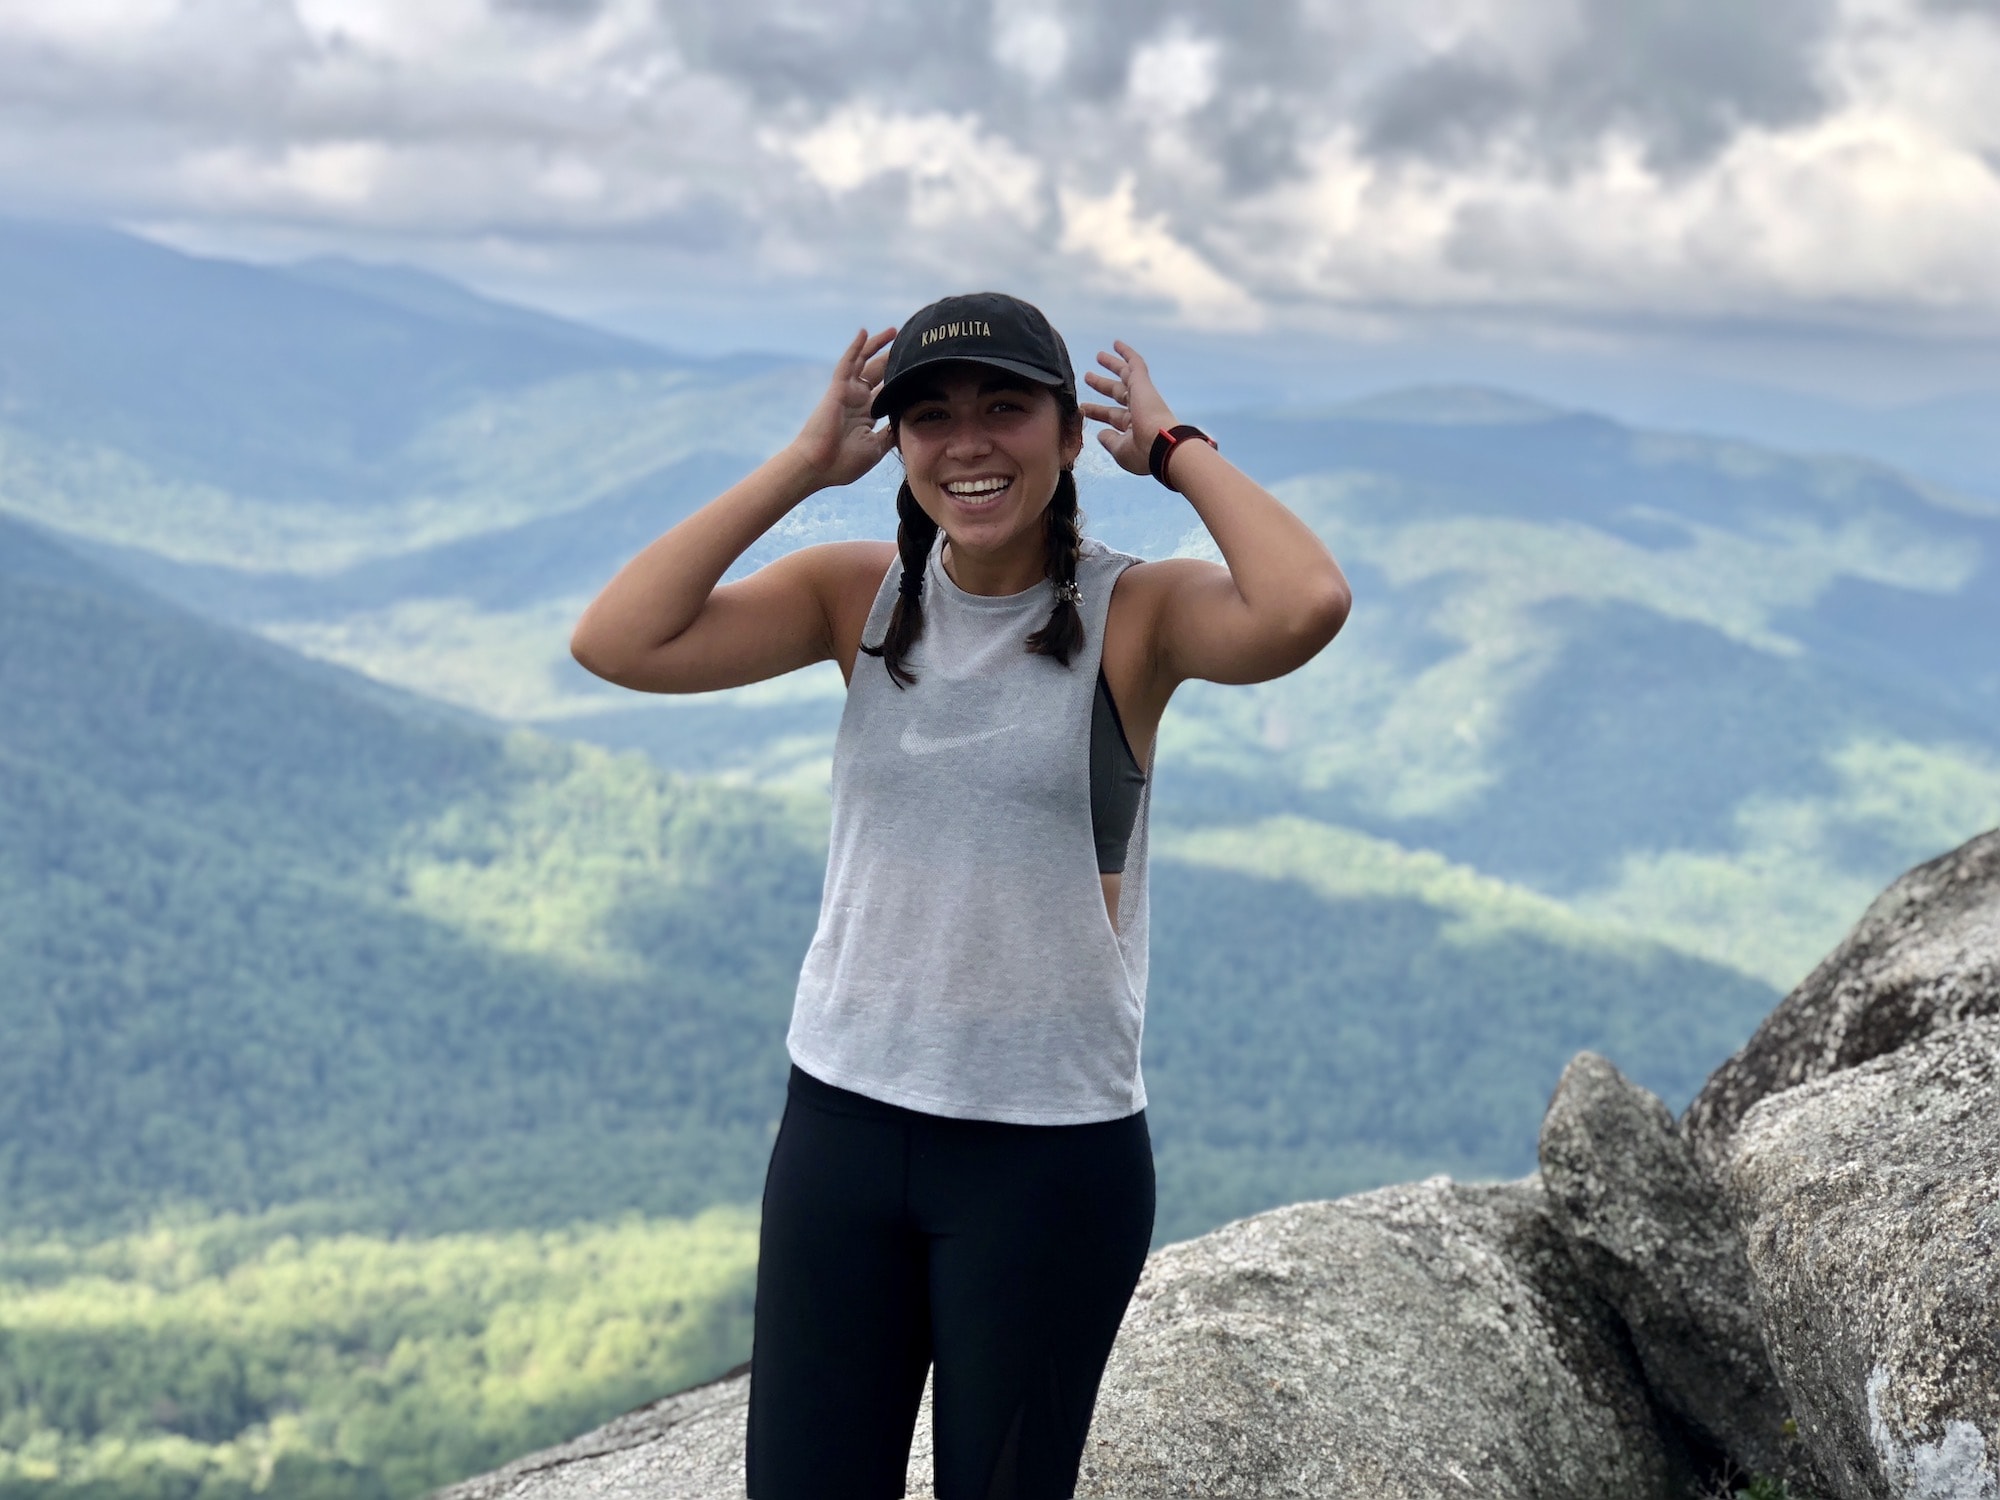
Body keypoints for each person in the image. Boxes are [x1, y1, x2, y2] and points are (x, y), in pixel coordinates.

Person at [569, 292, 1350, 1499]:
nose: (967, 442)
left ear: (1067, 435)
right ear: (898, 447)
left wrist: (1179, 454)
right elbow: (616, 641)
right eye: (929, 417)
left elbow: (1305, 603)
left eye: (1003, 408)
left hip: (1045, 1155)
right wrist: (800, 467)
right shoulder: (860, 597)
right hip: (840, 1123)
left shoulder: (1128, 613)